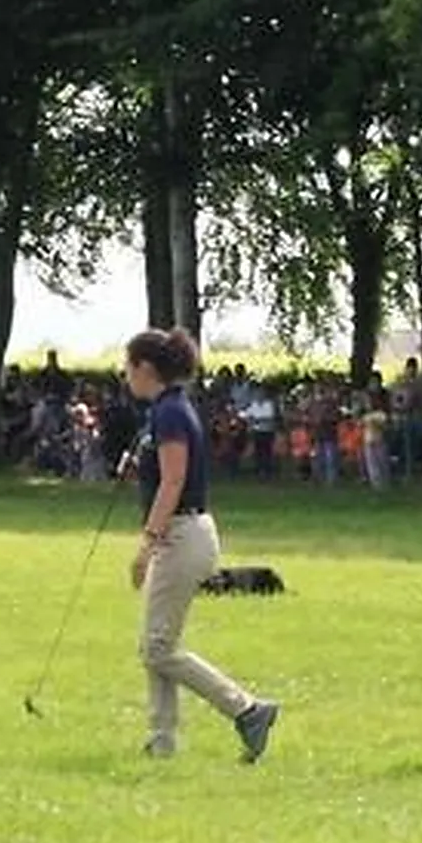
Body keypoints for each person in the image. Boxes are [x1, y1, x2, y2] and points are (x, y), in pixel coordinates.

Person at [121, 327, 279, 764]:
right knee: (158, 642)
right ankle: (162, 741)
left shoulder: (170, 413)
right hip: (182, 534)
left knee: (157, 647)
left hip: (181, 535)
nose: (124, 375)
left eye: (128, 366)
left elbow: (173, 482)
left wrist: (146, 546)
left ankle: (247, 709)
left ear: (146, 368)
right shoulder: (166, 411)